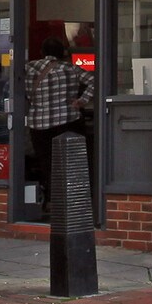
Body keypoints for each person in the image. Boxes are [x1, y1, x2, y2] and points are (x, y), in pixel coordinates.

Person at [24, 36, 97, 209]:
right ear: (62, 52)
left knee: (47, 163)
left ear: (42, 52)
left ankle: (53, 200)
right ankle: (75, 201)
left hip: (38, 123)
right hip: (67, 120)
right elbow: (95, 81)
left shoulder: (28, 67)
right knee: (71, 162)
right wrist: (81, 101)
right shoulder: (70, 68)